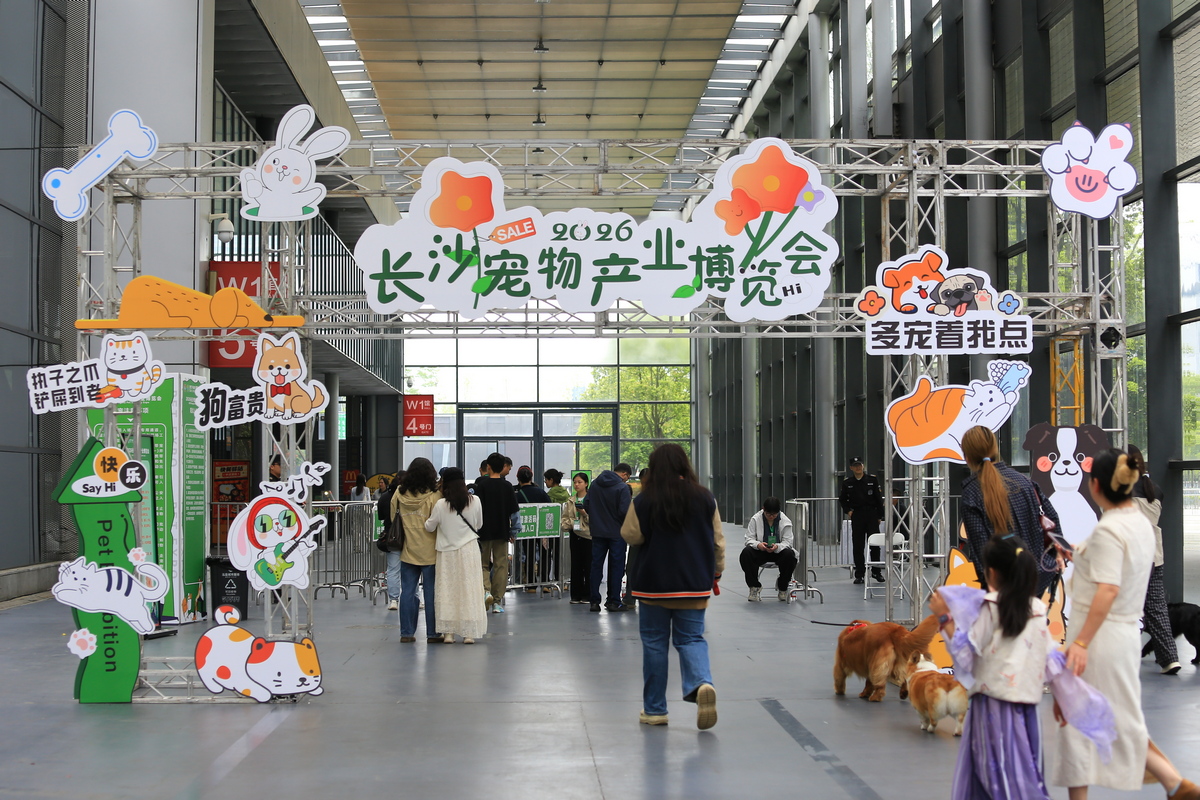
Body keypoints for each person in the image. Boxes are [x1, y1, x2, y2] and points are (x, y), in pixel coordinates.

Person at [1051, 449, 1200, 800]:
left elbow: (1107, 589)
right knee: (1116, 717)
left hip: (1099, 638)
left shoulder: (1108, 530)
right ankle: (1174, 783)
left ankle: (1175, 783)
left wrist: (1082, 642)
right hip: (1122, 636)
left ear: (1096, 485)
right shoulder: (1140, 523)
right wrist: (1082, 556)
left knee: (1080, 721)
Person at [621, 443, 724, 730]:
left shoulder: (644, 499)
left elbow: (630, 535)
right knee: (691, 639)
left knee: (655, 644)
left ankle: (655, 711)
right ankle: (701, 683)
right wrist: (716, 571)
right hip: (693, 583)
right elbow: (717, 540)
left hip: (653, 584)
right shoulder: (704, 497)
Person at [960, 426, 1060, 597]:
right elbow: (1053, 522)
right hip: (1035, 577)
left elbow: (981, 550)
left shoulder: (971, 493)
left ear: (967, 457)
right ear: (995, 449)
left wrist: (990, 585)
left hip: (1001, 586)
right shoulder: (1026, 482)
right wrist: (1050, 562)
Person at [1128, 444, 1181, 675]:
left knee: (1124, 607)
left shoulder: (1122, 491)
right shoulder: (1155, 489)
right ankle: (1170, 658)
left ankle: (1122, 657)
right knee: (1157, 608)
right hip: (1153, 556)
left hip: (1129, 557)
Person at [425, 467, 487, 644]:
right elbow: (479, 524)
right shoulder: (475, 501)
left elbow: (429, 526)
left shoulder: (440, 505)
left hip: (447, 553)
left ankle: (449, 633)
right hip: (469, 550)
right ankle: (468, 634)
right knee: (469, 590)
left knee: (448, 591)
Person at [391, 458, 442, 644]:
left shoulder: (398, 493)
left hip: (407, 550)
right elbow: (439, 522)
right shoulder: (435, 496)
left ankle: (407, 632)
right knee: (431, 593)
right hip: (431, 551)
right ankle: (433, 633)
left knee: (408, 592)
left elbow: (392, 517)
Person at [474, 451, 518, 613]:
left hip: (483, 531)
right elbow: (514, 513)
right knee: (501, 565)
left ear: (488, 467)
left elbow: (476, 510)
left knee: (483, 564)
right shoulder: (507, 486)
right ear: (503, 467)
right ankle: (497, 601)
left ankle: (486, 592)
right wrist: (514, 531)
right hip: (502, 531)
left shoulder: (482, 486)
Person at [586, 462, 633, 612]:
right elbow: (624, 512)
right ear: (625, 474)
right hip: (617, 533)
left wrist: (597, 518)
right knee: (616, 567)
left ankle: (594, 601)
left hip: (598, 532)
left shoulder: (595, 485)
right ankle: (613, 601)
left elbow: (586, 504)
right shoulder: (622, 488)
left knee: (596, 566)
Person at [740, 497, 797, 602]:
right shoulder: (755, 519)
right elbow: (749, 538)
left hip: (778, 551)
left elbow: (788, 542)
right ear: (763, 509)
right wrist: (759, 545)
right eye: (768, 514)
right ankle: (754, 586)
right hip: (761, 551)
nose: (771, 517)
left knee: (790, 555)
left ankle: (783, 587)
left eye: (774, 515)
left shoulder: (785, 521)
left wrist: (777, 547)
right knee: (746, 553)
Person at [839, 456, 885, 584]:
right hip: (857, 515)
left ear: (863, 466)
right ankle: (860, 574)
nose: (858, 467)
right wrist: (848, 511)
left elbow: (878, 498)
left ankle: (876, 572)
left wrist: (879, 516)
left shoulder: (872, 480)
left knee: (874, 544)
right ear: (851, 468)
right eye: (855, 465)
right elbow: (842, 499)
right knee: (858, 545)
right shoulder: (847, 483)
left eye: (860, 465)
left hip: (871, 514)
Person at [561, 472, 591, 604]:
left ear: (586, 483)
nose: (577, 484)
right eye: (575, 482)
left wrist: (584, 514)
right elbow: (565, 519)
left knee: (588, 565)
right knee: (576, 565)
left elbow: (595, 519)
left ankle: (587, 594)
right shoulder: (570, 501)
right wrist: (573, 523)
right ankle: (575, 595)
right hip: (575, 534)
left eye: (580, 482)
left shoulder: (592, 499)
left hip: (589, 536)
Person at [377, 472, 403, 612]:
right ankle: (415, 597)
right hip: (409, 537)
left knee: (392, 569)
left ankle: (393, 600)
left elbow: (381, 515)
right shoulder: (408, 498)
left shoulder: (385, 497)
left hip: (392, 537)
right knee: (411, 569)